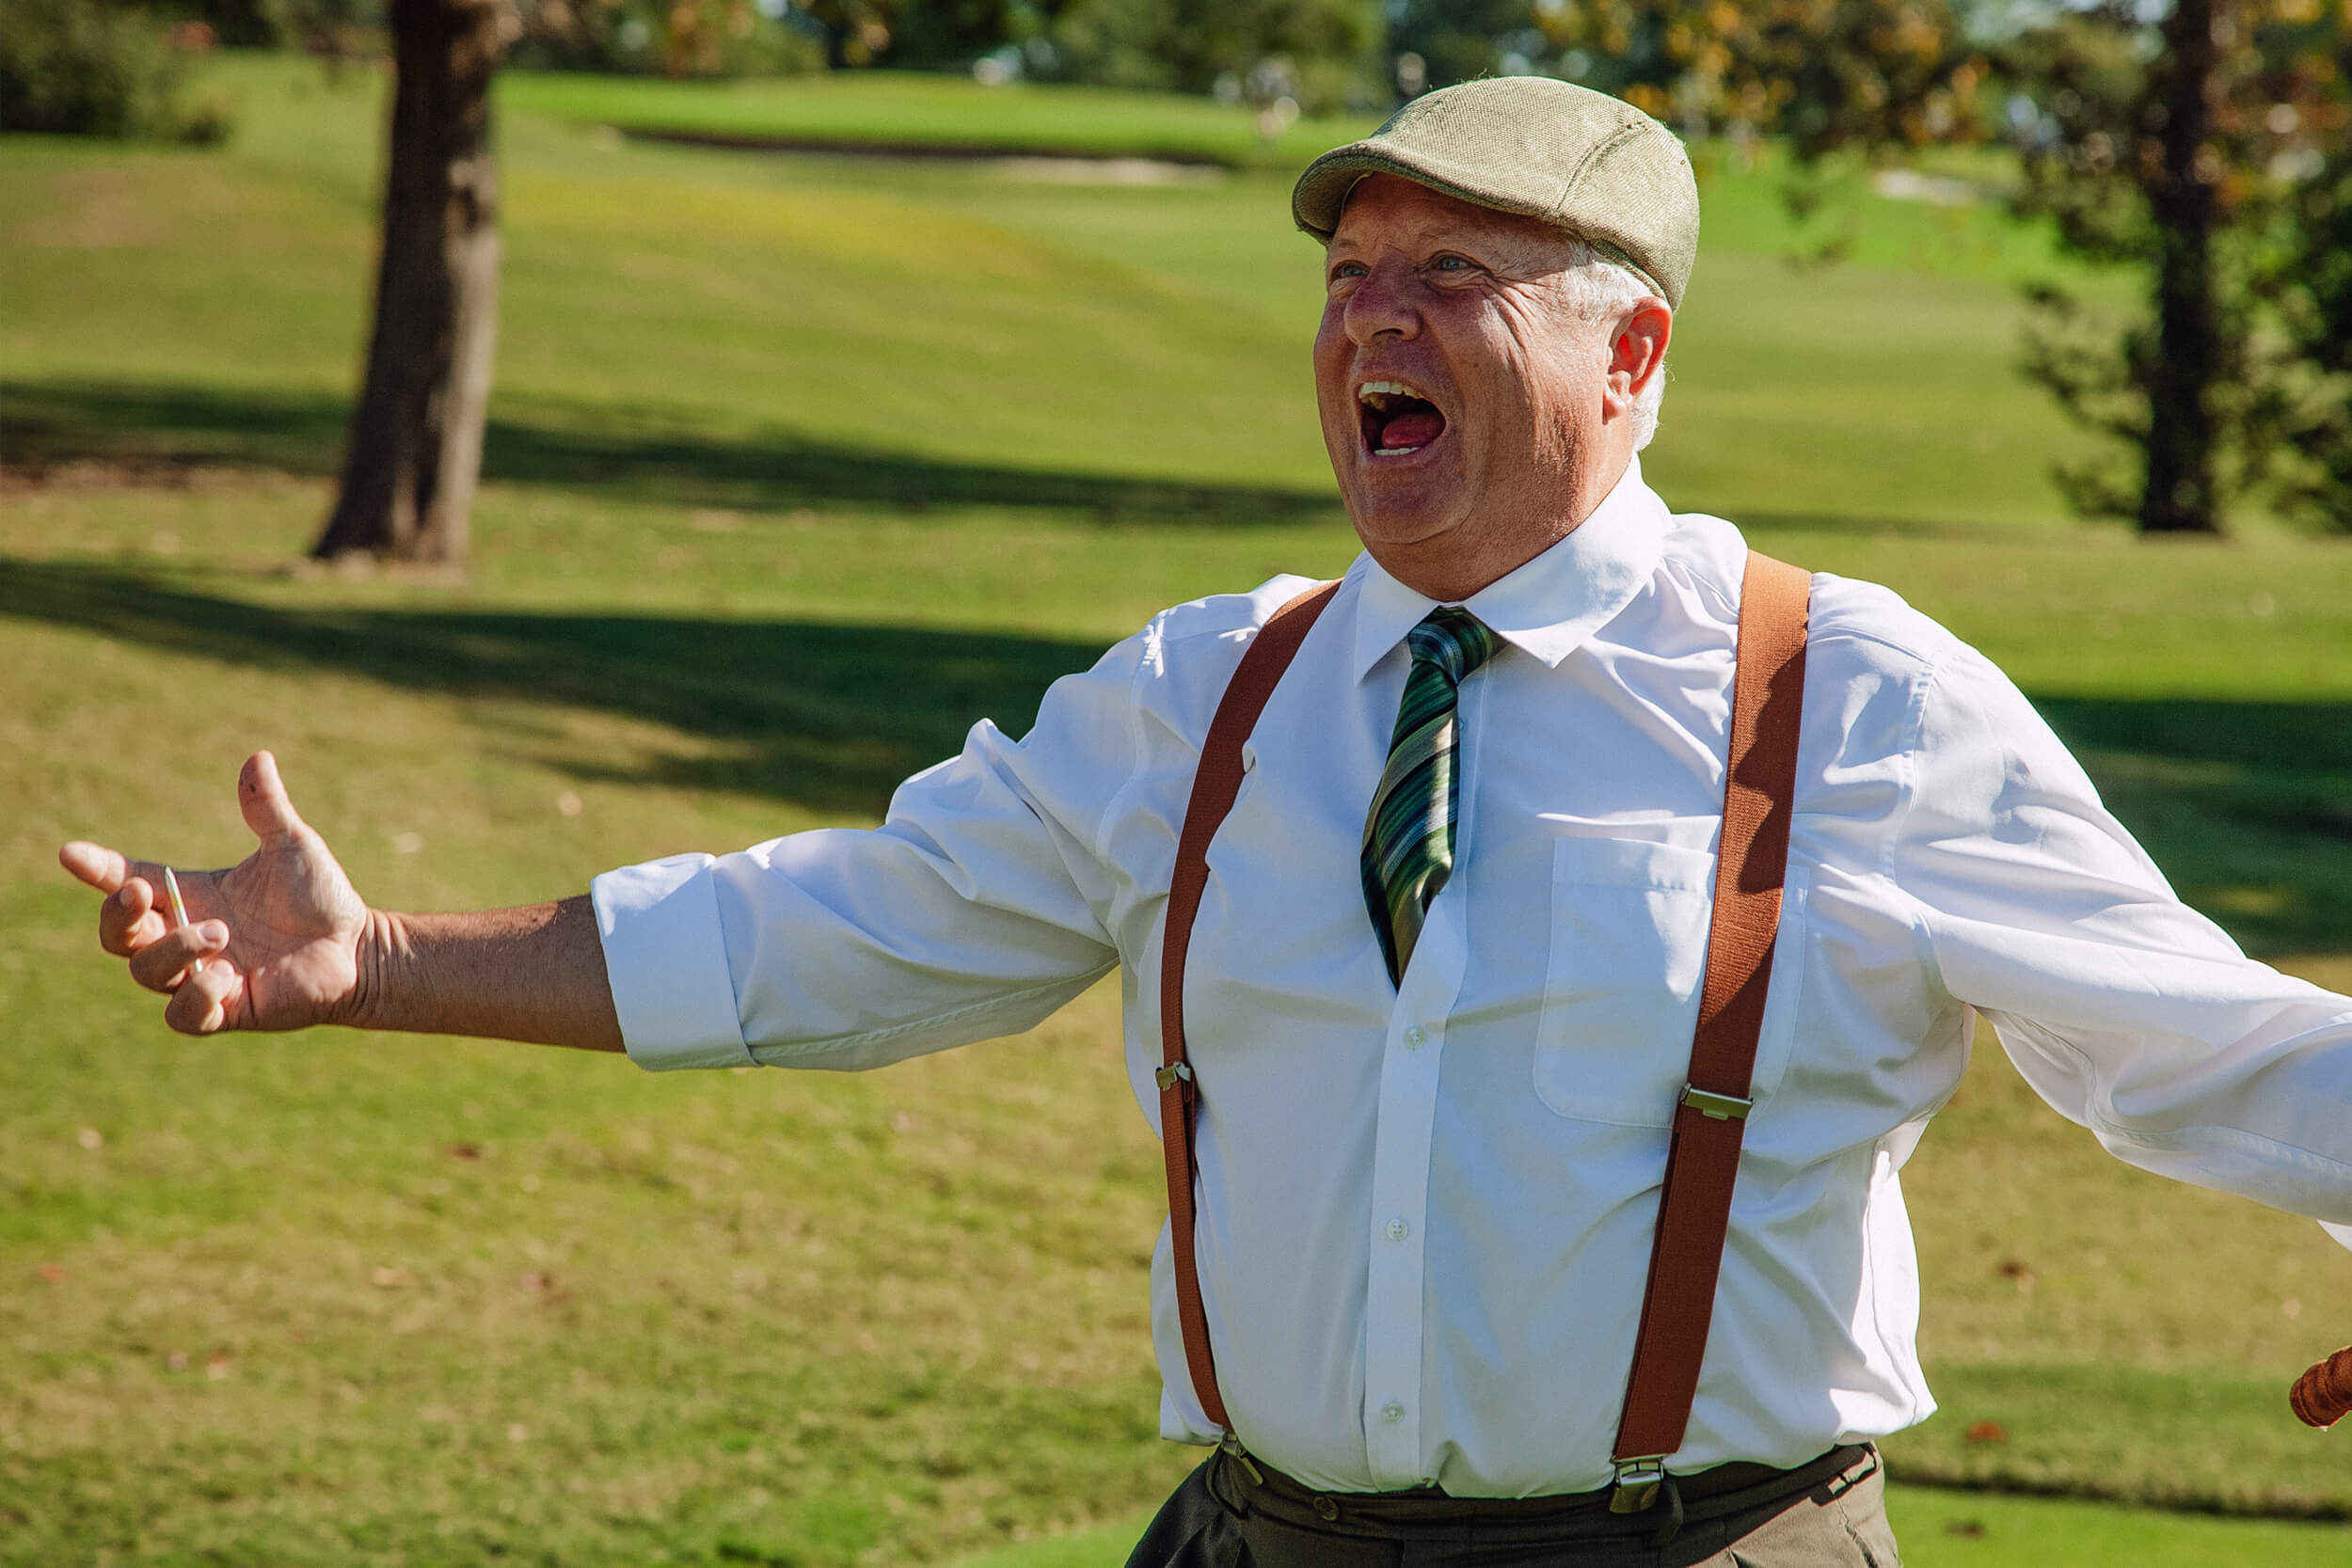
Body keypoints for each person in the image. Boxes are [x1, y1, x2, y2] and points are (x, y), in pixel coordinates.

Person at [59, 77, 2352, 1567]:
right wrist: (374, 970)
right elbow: (835, 931)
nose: (1376, 323)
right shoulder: (1209, 689)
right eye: (1352, 280)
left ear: (1629, 360)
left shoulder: (1841, 698)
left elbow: (2205, 1043)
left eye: (1451, 279)